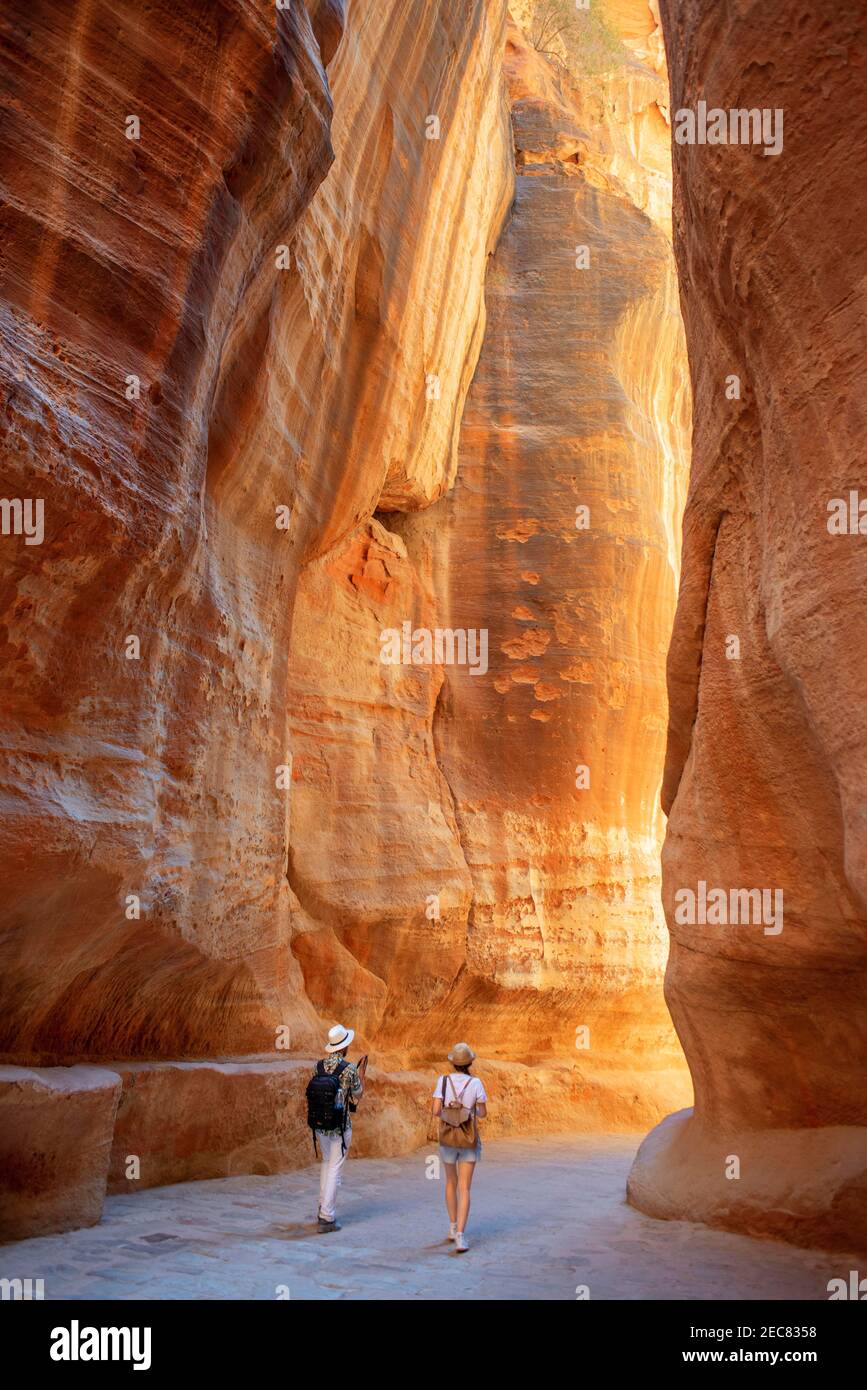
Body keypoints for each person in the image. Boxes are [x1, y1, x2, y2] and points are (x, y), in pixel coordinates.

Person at [306, 1023, 367, 1233]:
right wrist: (362, 1080)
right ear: (343, 1048)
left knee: (326, 1163)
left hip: (321, 1125)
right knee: (335, 1169)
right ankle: (327, 1216)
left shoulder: (318, 1066)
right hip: (340, 1125)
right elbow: (358, 1095)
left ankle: (322, 1206)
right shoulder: (349, 1069)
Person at [430, 1042, 487, 1253]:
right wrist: (467, 1110)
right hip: (467, 1138)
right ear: (470, 1062)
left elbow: (436, 1110)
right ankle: (461, 1235)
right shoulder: (476, 1083)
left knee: (450, 1182)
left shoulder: (442, 1081)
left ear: (452, 1063)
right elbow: (482, 1113)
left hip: (447, 1137)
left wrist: (450, 1110)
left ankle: (452, 1227)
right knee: (464, 1187)